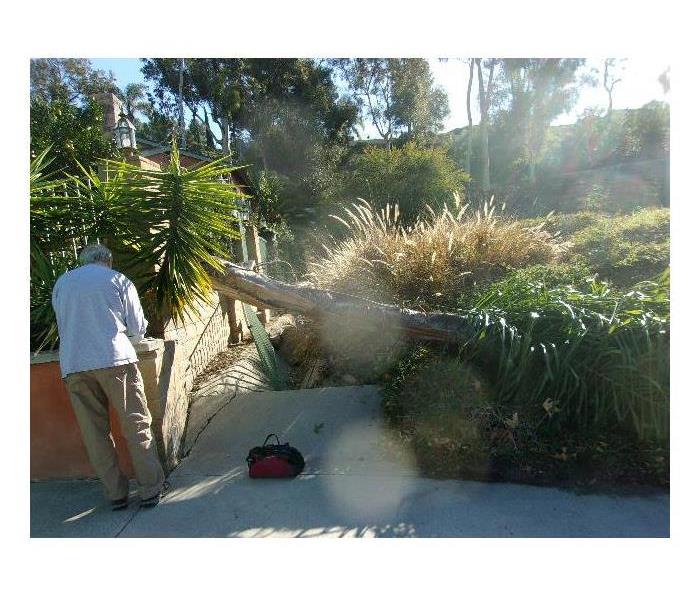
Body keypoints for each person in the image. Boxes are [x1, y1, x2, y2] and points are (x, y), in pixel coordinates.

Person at [51, 243, 167, 510]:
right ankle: (150, 488)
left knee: (94, 433)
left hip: (74, 364)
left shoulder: (63, 283)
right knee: (136, 424)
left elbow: (64, 323)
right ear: (108, 260)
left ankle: (116, 494)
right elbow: (137, 328)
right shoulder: (117, 279)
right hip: (115, 360)